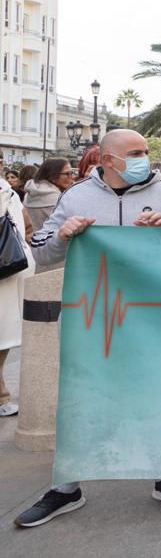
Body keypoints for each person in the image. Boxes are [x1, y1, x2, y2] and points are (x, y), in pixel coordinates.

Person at [18, 129, 161, 528]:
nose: (144, 159)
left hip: (150, 315)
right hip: (92, 316)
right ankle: (65, 487)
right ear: (108, 161)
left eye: (145, 151)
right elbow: (41, 250)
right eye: (135, 153)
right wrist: (63, 235)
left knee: (157, 392)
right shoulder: (76, 196)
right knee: (78, 396)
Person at [0, 170, 34, 419]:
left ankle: (1, 393)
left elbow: (27, 229)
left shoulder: (7, 192)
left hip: (10, 272)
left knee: (4, 337)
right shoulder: (7, 192)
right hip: (11, 269)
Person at [23, 158, 75, 232]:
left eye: (71, 173)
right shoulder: (58, 200)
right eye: (67, 174)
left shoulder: (29, 193)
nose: (71, 177)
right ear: (52, 176)